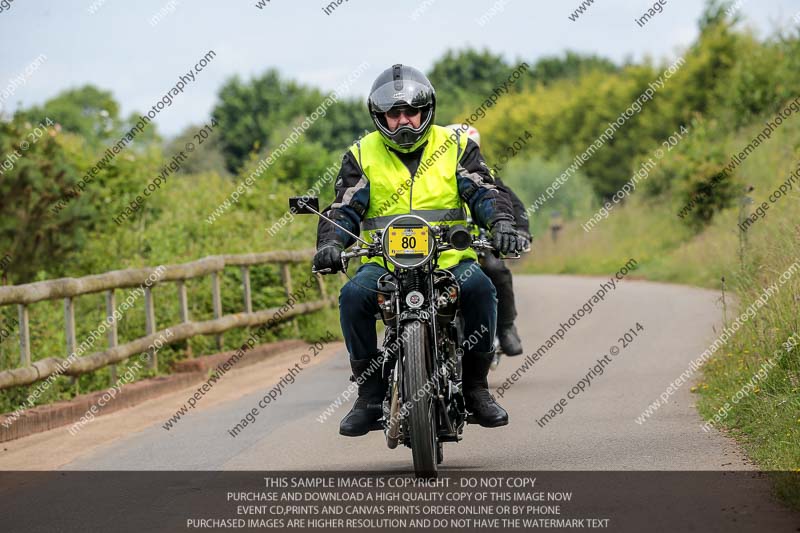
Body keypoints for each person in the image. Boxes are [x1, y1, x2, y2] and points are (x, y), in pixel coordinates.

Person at [313, 64, 520, 437]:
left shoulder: (456, 145)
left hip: (449, 258)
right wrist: (330, 242)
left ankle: (476, 389)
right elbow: (343, 206)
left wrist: (501, 224)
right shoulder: (361, 153)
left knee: (480, 289)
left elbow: (484, 191)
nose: (404, 121)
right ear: (380, 117)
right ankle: (370, 395)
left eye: (411, 112)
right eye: (394, 115)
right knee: (352, 296)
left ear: (427, 112)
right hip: (384, 262)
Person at [445, 125, 530, 356]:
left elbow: (514, 206)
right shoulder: (437, 176)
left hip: (480, 244)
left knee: (496, 270)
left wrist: (519, 231)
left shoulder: (486, 176)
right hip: (442, 247)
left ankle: (505, 327)